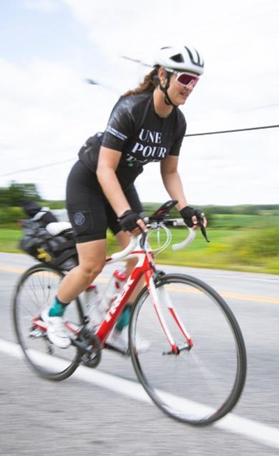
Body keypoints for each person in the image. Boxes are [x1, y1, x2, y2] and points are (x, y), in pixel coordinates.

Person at [42, 45, 208, 351]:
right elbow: (105, 168)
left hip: (122, 184)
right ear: (163, 75)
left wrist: (186, 208)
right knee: (91, 265)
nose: (190, 87)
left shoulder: (177, 122)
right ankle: (52, 315)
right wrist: (124, 213)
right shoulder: (131, 108)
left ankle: (116, 326)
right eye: (185, 78)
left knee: (141, 259)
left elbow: (170, 172)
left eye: (196, 81)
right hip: (90, 182)